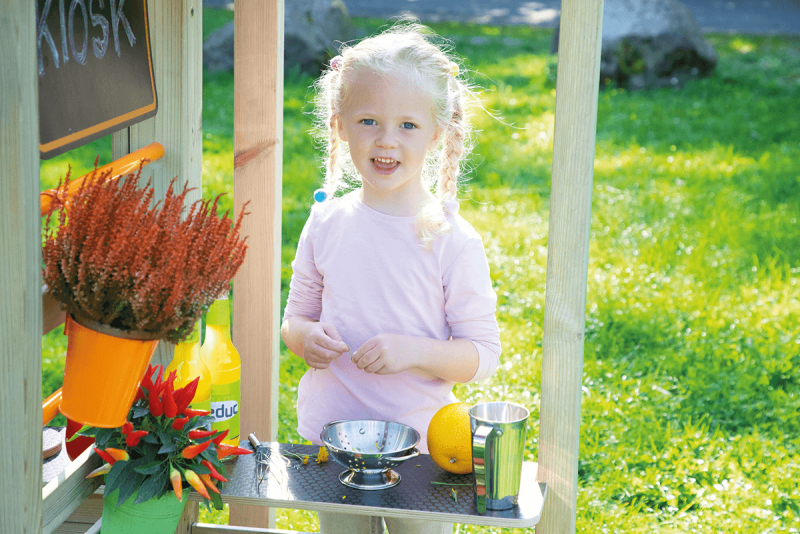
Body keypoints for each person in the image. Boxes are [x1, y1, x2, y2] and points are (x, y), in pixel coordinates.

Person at [281, 20, 501, 534]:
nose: (386, 140)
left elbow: (482, 355)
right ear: (339, 125)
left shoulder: (452, 239)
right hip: (333, 441)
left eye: (407, 125)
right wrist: (305, 338)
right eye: (368, 121)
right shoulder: (325, 222)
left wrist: (413, 351)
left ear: (437, 133)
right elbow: (294, 319)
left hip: (423, 447)